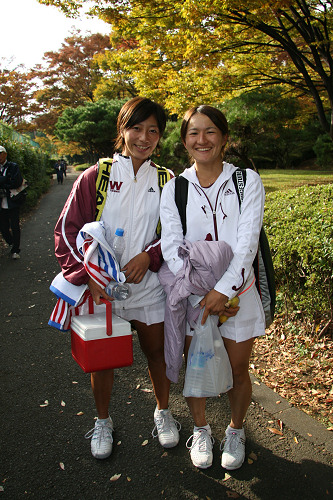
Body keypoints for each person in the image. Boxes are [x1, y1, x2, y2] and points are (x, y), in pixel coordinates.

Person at [53, 97, 180, 460]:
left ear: (160, 136)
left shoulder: (166, 180)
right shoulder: (97, 176)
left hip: (147, 288)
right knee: (103, 358)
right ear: (122, 130)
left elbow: (175, 233)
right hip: (103, 291)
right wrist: (86, 277)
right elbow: (66, 231)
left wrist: (149, 256)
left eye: (152, 130)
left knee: (156, 352)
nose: (144, 137)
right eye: (136, 128)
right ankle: (103, 421)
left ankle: (163, 412)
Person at [160, 105, 266, 471]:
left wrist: (223, 293)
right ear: (185, 140)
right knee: (197, 367)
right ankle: (201, 429)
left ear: (223, 136)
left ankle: (235, 429)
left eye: (210, 131)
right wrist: (204, 291)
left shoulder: (245, 182)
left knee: (239, 369)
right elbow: (172, 247)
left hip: (239, 294)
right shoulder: (175, 188)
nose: (201, 140)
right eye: (193, 133)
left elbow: (246, 243)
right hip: (195, 297)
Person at [0, 145, 24, 259]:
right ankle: (11, 243)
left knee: (15, 226)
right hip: (2, 203)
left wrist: (3, 182)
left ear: (5, 154)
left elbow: (16, 182)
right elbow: (10, 181)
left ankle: (16, 250)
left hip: (13, 201)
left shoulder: (13, 166)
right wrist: (6, 180)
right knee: (3, 227)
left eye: (1, 154)